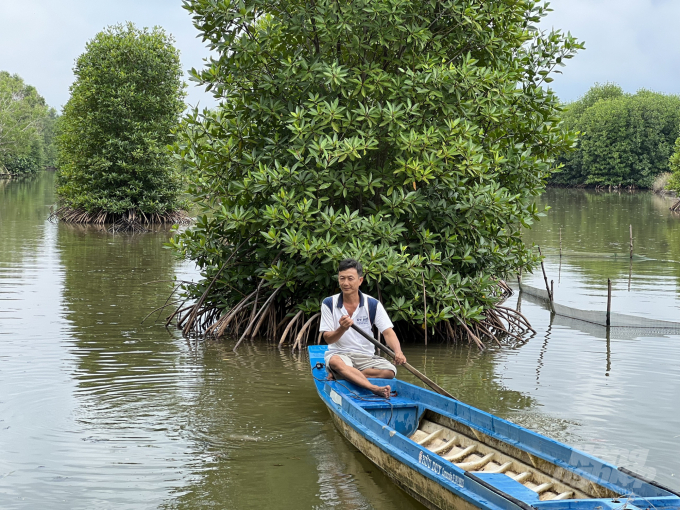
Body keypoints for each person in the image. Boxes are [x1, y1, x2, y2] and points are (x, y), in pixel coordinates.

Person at [319, 258, 407, 398]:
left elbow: (388, 332)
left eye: (350, 278)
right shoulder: (329, 303)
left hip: (365, 356)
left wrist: (398, 352)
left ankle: (344, 375)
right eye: (342, 278)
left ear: (360, 280)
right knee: (335, 362)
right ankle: (373, 388)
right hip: (340, 355)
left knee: (390, 371)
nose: (345, 283)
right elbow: (328, 339)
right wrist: (341, 329)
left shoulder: (372, 304)